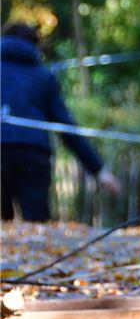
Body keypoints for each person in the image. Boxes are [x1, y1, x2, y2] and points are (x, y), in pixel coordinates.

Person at [1, 22, 118, 222]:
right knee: (36, 223)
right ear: (34, 45)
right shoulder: (43, 76)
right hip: (33, 153)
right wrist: (98, 170)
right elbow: (66, 127)